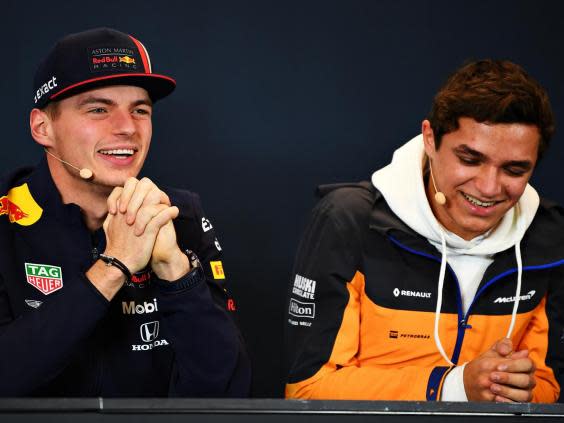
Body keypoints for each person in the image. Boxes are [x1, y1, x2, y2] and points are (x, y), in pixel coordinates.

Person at [285, 60, 564, 402]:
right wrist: (454, 387)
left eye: (515, 169)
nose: (489, 187)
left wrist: (516, 391)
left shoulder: (550, 236)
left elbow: (552, 391)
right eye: (470, 159)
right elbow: (306, 393)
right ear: (430, 139)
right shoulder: (351, 221)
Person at [0, 28, 250, 397]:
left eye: (141, 110)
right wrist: (113, 265)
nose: (127, 128)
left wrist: (176, 273)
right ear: (43, 127)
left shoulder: (179, 217)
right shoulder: (7, 221)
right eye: (99, 109)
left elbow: (228, 394)